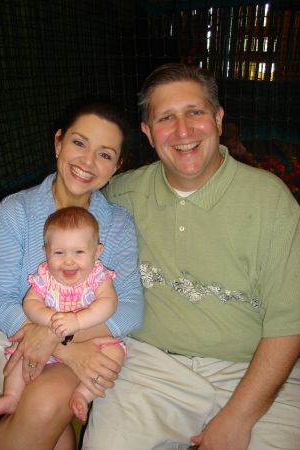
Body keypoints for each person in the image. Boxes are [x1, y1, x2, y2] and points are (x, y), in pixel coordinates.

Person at [82, 63, 300, 450]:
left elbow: (289, 326)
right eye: (166, 118)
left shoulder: (272, 202)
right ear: (149, 133)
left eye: (195, 112)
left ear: (218, 119)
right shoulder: (121, 196)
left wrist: (238, 417)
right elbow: (57, 222)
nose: (183, 131)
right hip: (151, 368)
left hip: (256, 372)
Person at [0, 101, 143, 450]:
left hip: (90, 347)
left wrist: (60, 338)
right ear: (58, 143)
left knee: (48, 412)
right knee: (44, 412)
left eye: (104, 154)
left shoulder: (116, 225)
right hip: (18, 347)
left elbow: (131, 309)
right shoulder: (16, 211)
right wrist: (60, 346)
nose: (87, 162)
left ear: (117, 166)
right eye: (79, 143)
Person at [0, 206, 126, 424]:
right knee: (20, 355)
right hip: (44, 348)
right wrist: (48, 321)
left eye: (79, 252)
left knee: (115, 352)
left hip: (88, 340)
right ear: (46, 251)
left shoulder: (99, 276)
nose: (68, 261)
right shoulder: (45, 276)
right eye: (59, 253)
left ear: (97, 252)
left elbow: (109, 303)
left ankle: (84, 393)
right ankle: (12, 396)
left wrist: (77, 321)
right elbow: (30, 303)